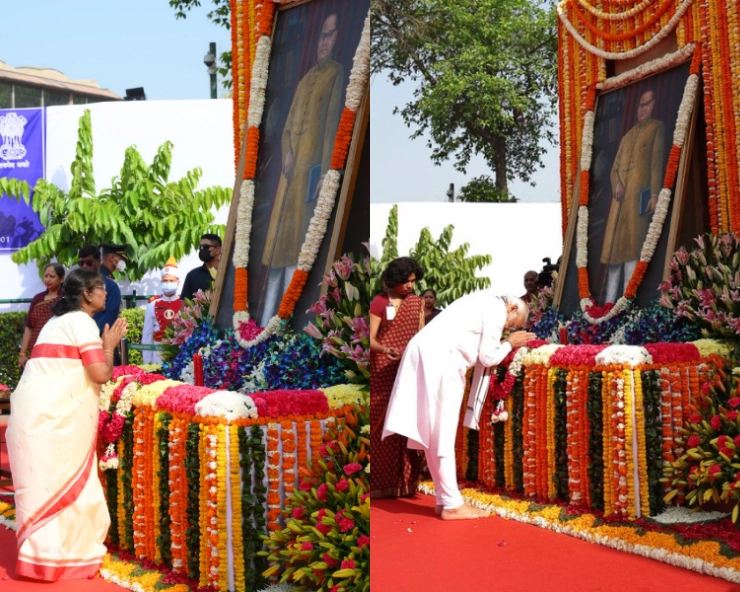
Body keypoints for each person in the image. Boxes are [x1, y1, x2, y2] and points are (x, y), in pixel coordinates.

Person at [6, 268, 128, 580]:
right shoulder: (82, 322)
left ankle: (42, 559)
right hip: (55, 425)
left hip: (36, 419)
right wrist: (110, 344)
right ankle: (68, 557)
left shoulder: (55, 322)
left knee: (45, 488)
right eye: (100, 288)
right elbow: (100, 374)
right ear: (87, 294)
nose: (105, 293)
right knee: (70, 486)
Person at [383, 292, 536, 519]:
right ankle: (452, 505)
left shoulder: (480, 299)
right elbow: (488, 357)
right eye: (510, 324)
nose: (506, 328)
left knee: (435, 434)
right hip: (440, 361)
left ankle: (445, 500)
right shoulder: (495, 309)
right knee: (442, 433)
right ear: (512, 308)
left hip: (429, 355)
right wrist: (509, 343)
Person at [260, 12, 344, 327]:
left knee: (297, 254)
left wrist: (325, 173)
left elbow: (332, 129)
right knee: (278, 251)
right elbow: (286, 129)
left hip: (310, 181)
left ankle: (285, 320)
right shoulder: (306, 78)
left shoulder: (336, 74)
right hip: (288, 180)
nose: (323, 42)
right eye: (320, 36)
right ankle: (268, 319)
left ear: (337, 38)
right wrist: (288, 151)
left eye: (329, 35)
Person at [600, 89, 664, 304]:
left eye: (646, 104)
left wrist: (655, 194)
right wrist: (616, 182)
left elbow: (656, 164)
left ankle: (626, 304)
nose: (642, 109)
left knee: (632, 253)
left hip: (639, 202)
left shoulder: (656, 128)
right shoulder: (627, 136)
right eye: (639, 105)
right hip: (619, 206)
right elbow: (614, 169)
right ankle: (609, 305)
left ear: (655, 105)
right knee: (614, 257)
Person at [370, 257, 426, 498]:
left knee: (404, 425)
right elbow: (370, 340)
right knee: (379, 426)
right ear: (395, 280)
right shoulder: (380, 302)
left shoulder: (417, 303)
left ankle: (404, 484)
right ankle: (377, 486)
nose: (410, 286)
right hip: (382, 372)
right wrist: (385, 350)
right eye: (406, 281)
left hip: (407, 371)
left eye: (413, 281)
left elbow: (421, 337)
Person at [18, 263, 65, 369]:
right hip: (36, 350)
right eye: (46, 276)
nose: (48, 279)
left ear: (62, 278)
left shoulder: (65, 299)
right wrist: (22, 354)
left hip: (58, 352)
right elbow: (29, 328)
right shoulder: (37, 299)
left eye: (52, 276)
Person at [142, 256, 182, 364]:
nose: (168, 283)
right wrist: (148, 363)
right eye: (165, 281)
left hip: (180, 353)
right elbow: (147, 336)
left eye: (171, 280)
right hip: (158, 354)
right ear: (161, 282)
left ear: (178, 282)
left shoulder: (184, 303)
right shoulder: (153, 304)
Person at [78, 245, 122, 337]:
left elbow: (108, 319)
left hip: (100, 340)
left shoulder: (110, 287)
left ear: (98, 262)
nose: (84, 266)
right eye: (81, 263)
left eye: (89, 263)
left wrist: (87, 334)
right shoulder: (76, 285)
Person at [181, 233, 222, 302]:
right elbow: (185, 306)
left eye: (206, 247)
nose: (202, 249)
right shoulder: (192, 275)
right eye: (200, 247)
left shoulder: (227, 272)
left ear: (217, 250)